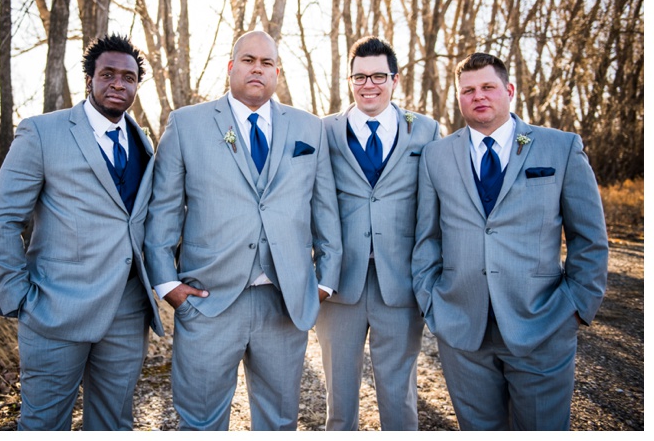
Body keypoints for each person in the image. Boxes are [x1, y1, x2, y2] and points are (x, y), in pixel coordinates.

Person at [143, 30, 343, 431]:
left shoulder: (310, 128)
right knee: (200, 422)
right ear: (231, 67)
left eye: (267, 62)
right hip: (208, 300)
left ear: (277, 73)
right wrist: (169, 286)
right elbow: (163, 211)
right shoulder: (187, 124)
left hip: (284, 301)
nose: (258, 68)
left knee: (280, 422)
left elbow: (325, 209)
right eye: (249, 60)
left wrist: (324, 281)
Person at [412, 52, 608, 430]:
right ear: (458, 98)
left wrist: (576, 306)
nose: (478, 96)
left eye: (488, 87)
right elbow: (427, 238)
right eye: (467, 90)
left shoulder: (560, 147)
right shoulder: (436, 155)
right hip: (461, 326)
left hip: (542, 323)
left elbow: (589, 237)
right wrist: (431, 301)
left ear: (509, 90)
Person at [0, 34, 163, 430]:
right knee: (44, 424)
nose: (119, 83)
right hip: (54, 308)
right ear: (90, 79)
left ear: (137, 85)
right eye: (109, 74)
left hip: (127, 309)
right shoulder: (42, 133)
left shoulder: (143, 141)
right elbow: (2, 217)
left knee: (114, 423)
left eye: (129, 77)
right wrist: (17, 296)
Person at [316, 36, 440, 430]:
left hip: (400, 281)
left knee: (399, 394)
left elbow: (435, 208)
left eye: (378, 77)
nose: (368, 85)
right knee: (339, 397)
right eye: (359, 77)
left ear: (395, 80)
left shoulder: (426, 130)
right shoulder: (324, 131)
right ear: (349, 80)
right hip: (339, 284)